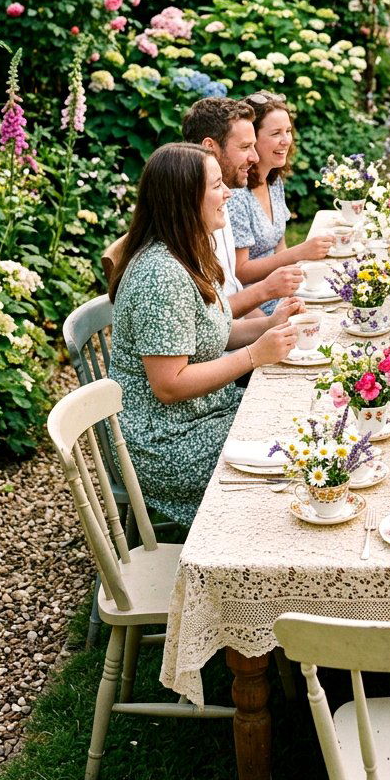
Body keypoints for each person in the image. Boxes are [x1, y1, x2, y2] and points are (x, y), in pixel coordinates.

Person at [109, 143, 299, 526]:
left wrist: (268, 324)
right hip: (166, 442)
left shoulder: (186, 252)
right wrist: (254, 356)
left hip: (203, 414)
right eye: (216, 186)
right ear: (185, 200)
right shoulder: (160, 276)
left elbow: (212, 334)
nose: (228, 192)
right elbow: (169, 385)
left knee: (295, 416)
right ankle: (248, 556)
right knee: (295, 452)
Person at [182, 97, 308, 317]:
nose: (255, 157)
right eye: (245, 147)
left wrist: (274, 324)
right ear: (209, 147)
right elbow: (213, 322)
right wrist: (267, 293)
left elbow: (226, 310)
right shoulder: (186, 228)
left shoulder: (219, 203)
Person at [227, 92, 333, 313]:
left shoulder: (274, 182)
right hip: (252, 306)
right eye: (276, 133)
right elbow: (240, 271)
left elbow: (279, 247)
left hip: (281, 294)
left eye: (288, 131)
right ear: (252, 139)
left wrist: (296, 286)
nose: (286, 140)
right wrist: (301, 252)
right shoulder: (237, 195)